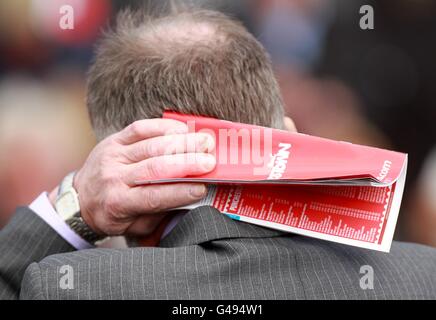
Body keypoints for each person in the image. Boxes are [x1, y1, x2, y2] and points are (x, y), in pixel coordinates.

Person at [0, 8, 435, 300]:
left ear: (126, 168)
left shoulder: (74, 288)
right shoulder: (423, 277)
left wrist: (74, 206)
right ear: (285, 133)